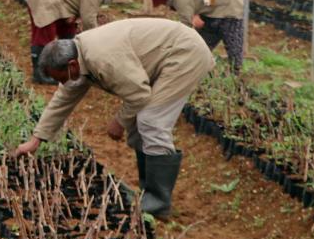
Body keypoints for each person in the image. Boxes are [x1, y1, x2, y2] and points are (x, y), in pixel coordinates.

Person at [11, 19, 214, 220]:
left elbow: (139, 95)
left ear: (72, 65)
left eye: (61, 77)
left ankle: (158, 201)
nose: (61, 83)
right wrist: (36, 139)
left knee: (151, 120)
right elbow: (62, 99)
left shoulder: (103, 60)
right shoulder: (79, 56)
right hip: (164, 54)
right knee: (138, 124)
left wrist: (119, 121)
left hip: (185, 54)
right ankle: (148, 192)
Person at [18, 0, 110, 85]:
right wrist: (93, 44)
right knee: (45, 30)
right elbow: (88, 19)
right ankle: (40, 74)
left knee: (67, 28)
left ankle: (65, 68)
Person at [150, 0, 250, 71]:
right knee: (209, 31)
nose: (165, 6)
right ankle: (198, 64)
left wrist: (177, 45)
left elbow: (186, 25)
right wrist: (198, 15)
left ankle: (237, 72)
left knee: (229, 26)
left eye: (162, 3)